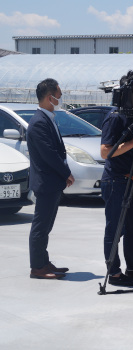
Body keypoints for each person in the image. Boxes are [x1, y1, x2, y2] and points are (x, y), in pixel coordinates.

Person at [100, 70, 133, 286]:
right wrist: (132, 142)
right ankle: (113, 273)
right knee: (115, 228)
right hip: (115, 181)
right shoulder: (115, 117)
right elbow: (105, 152)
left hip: (132, 180)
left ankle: (132, 267)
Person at [27, 78, 75, 279]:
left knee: (46, 226)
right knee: (41, 226)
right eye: (59, 95)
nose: (61, 98)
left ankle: (44, 262)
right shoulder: (39, 122)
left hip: (51, 182)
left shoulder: (48, 118)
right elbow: (49, 154)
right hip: (46, 182)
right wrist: (66, 173)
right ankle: (37, 267)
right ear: (50, 97)